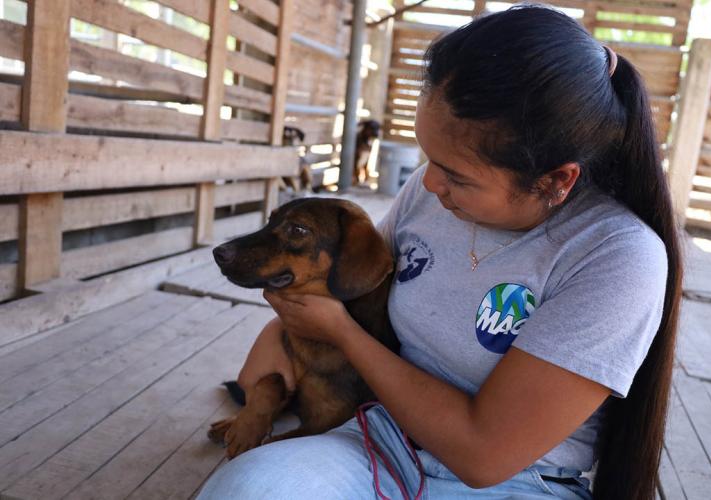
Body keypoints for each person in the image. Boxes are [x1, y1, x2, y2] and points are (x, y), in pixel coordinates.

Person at [197, 5, 682, 499]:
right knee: (247, 489)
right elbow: (354, 282)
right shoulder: (431, 194)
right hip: (378, 438)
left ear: (556, 180)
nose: (429, 183)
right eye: (429, 159)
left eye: (457, 175)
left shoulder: (615, 256)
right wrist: (282, 336)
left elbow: (483, 455)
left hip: (514, 482)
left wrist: (342, 334)